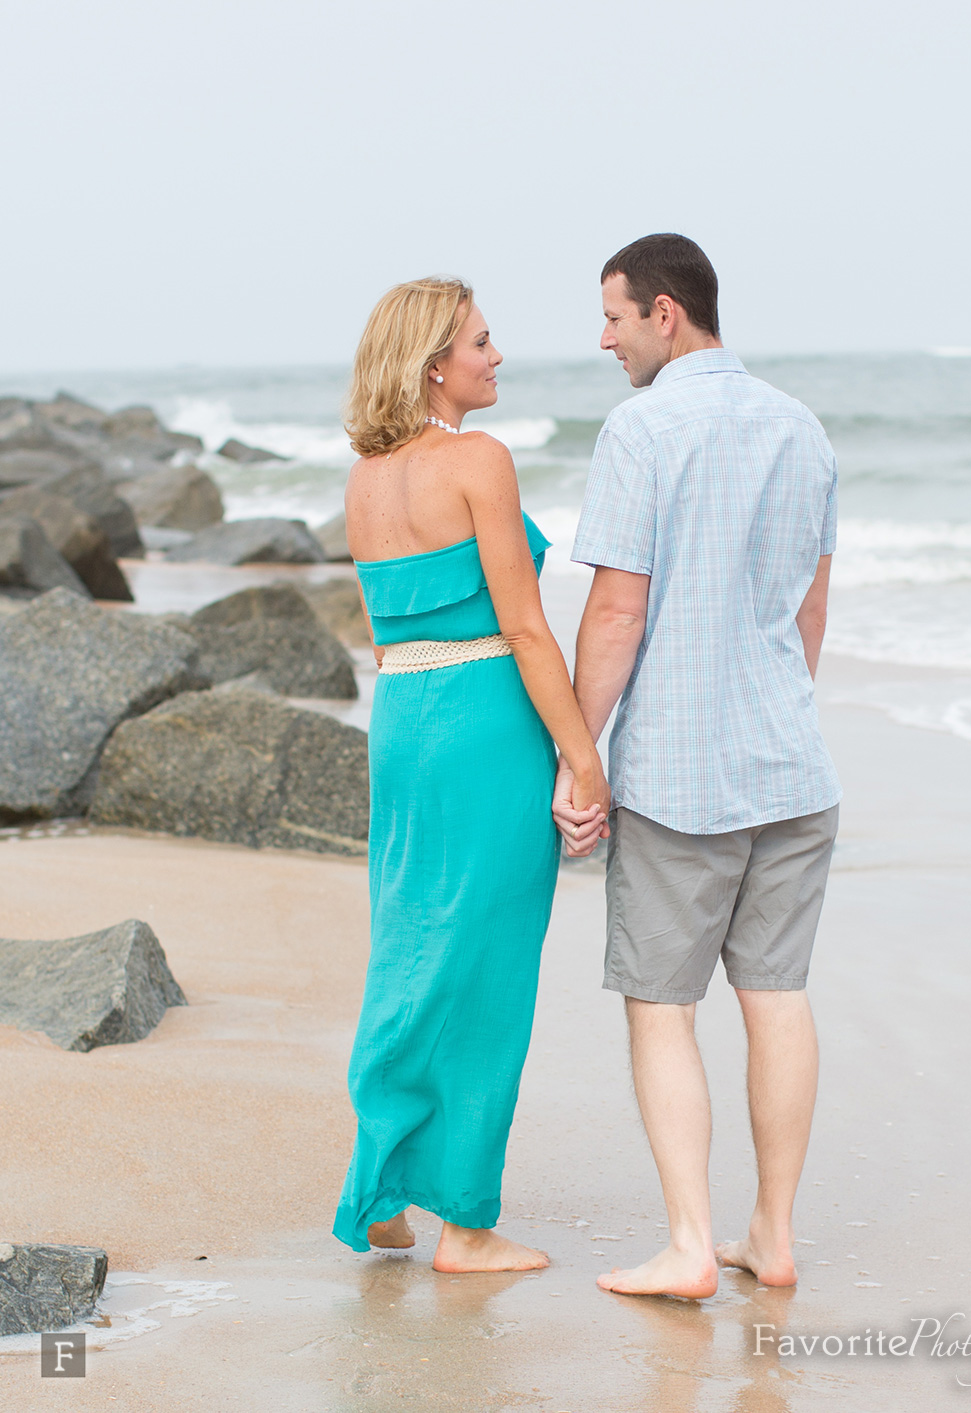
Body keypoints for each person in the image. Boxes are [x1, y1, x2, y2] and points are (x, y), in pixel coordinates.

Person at [555, 234, 841, 1298]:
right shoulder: (801, 426)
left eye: (616, 316)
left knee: (661, 1004)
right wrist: (779, 712)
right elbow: (809, 609)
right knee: (778, 996)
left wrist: (580, 758)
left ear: (666, 314)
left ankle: (688, 1244)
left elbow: (618, 610)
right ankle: (771, 1235)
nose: (606, 337)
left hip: (680, 777)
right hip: (793, 769)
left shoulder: (643, 428)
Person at [334, 277, 609, 1274]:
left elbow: (384, 637)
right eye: (482, 343)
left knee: (409, 950)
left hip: (403, 723)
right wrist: (585, 759)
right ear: (433, 362)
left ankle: (379, 1196)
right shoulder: (478, 461)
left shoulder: (363, 480)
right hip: (487, 725)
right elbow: (527, 627)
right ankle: (468, 1227)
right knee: (487, 969)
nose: (496, 358)